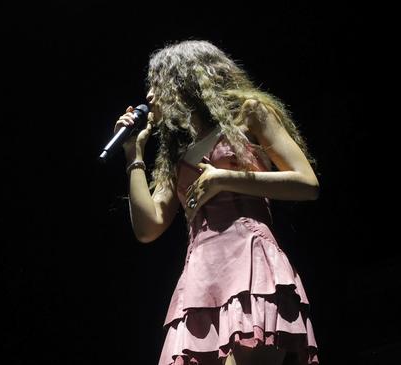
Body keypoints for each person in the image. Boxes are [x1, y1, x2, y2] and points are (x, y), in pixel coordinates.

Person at [113, 40, 320, 365]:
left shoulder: (249, 115)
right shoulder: (176, 155)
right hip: (200, 280)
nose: (149, 97)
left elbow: (307, 184)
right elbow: (148, 227)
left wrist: (224, 178)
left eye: (156, 84)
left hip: (251, 266)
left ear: (185, 79)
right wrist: (132, 155)